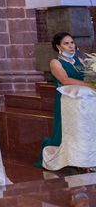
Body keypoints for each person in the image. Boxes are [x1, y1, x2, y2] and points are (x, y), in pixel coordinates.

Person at [39, 32, 91, 166]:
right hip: (67, 101)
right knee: (66, 129)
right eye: (66, 43)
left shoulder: (80, 61)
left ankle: (82, 156)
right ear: (58, 46)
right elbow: (65, 80)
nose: (70, 46)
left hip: (83, 101)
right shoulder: (55, 62)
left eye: (72, 42)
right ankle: (65, 157)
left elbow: (87, 76)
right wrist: (91, 85)